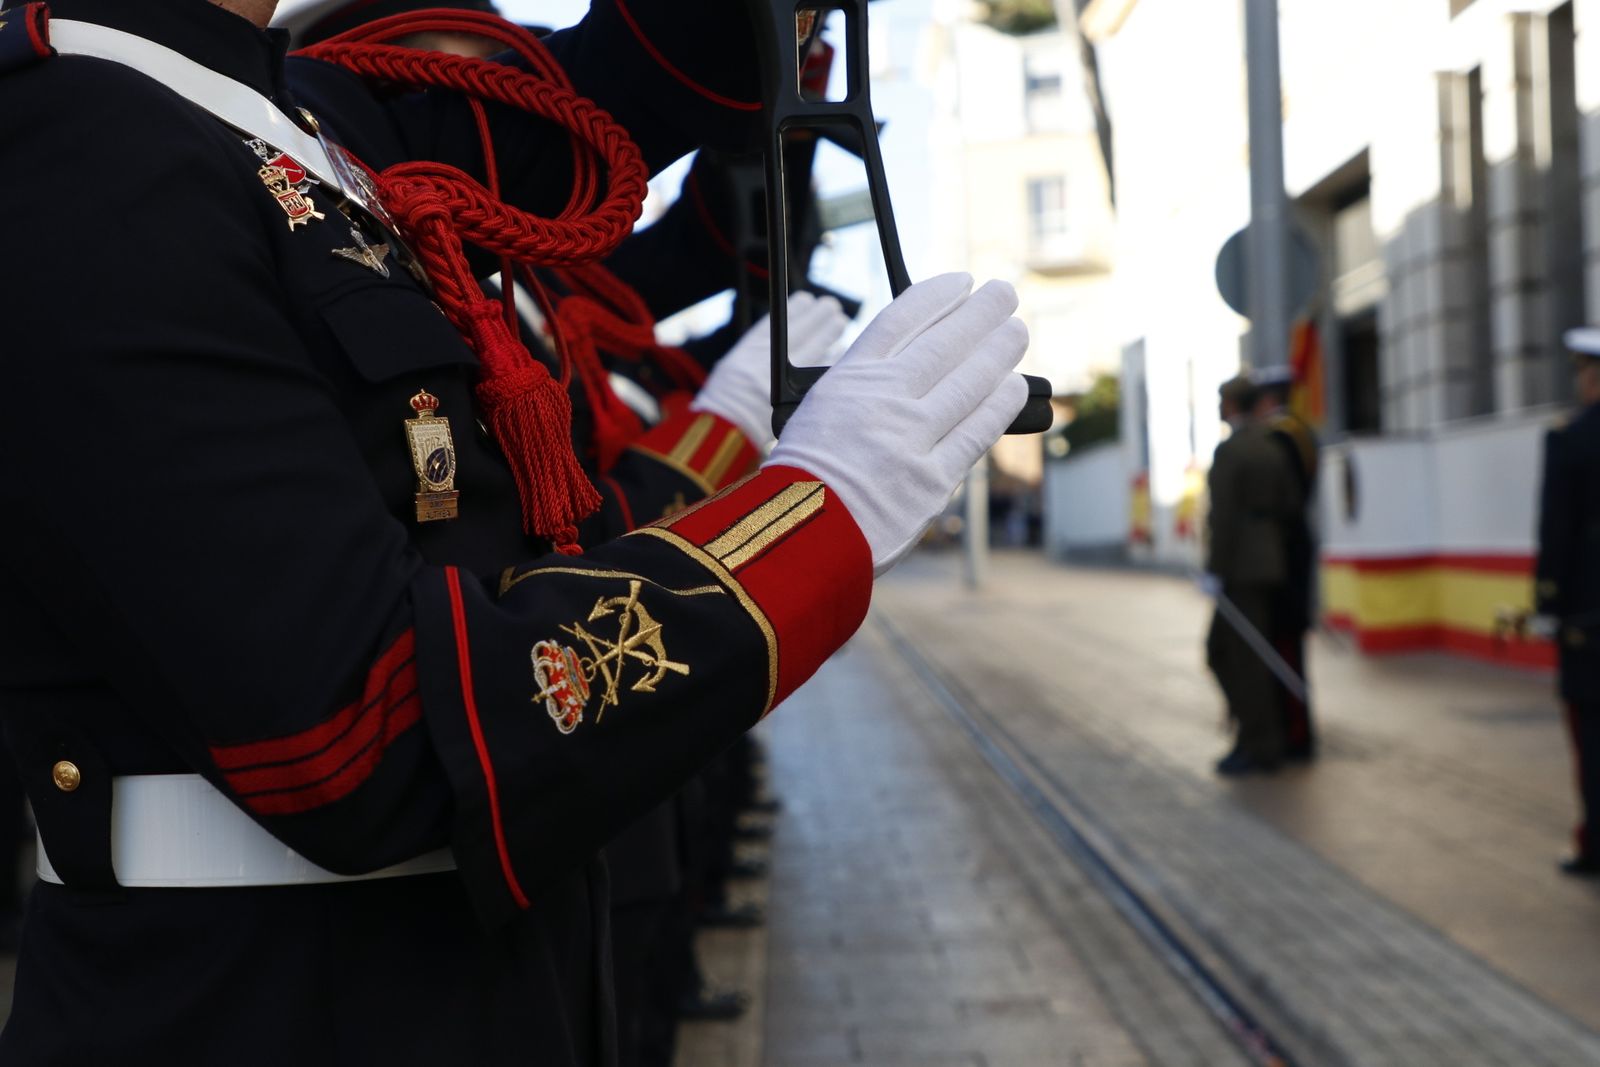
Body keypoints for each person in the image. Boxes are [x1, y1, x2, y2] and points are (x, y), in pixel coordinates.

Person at [0, 2, 1031, 1063]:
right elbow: (365, 729)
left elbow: (630, 85)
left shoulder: (312, 115)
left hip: (472, 967)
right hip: (264, 999)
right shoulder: (70, 142)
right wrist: (808, 521)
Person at [1205, 374, 1301, 775]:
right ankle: (1257, 736)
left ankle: (1258, 742)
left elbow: (1223, 516)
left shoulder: (1231, 451)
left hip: (1241, 567)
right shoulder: (1272, 445)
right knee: (1243, 653)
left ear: (1230, 406)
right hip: (1271, 560)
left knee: (1234, 656)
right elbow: (1291, 505)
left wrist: (1216, 569)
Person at [1536, 328, 1600, 877]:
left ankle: (1596, 842)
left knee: (1592, 731)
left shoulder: (1571, 439)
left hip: (1588, 613)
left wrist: (1547, 602)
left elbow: (1556, 529)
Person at [1253, 366, 1319, 762]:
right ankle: (1294, 731)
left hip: (1285, 555)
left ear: (1267, 399)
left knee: (1286, 647)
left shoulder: (1282, 437)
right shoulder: (1298, 431)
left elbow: (1282, 502)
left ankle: (1296, 735)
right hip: (1291, 550)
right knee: (1286, 645)